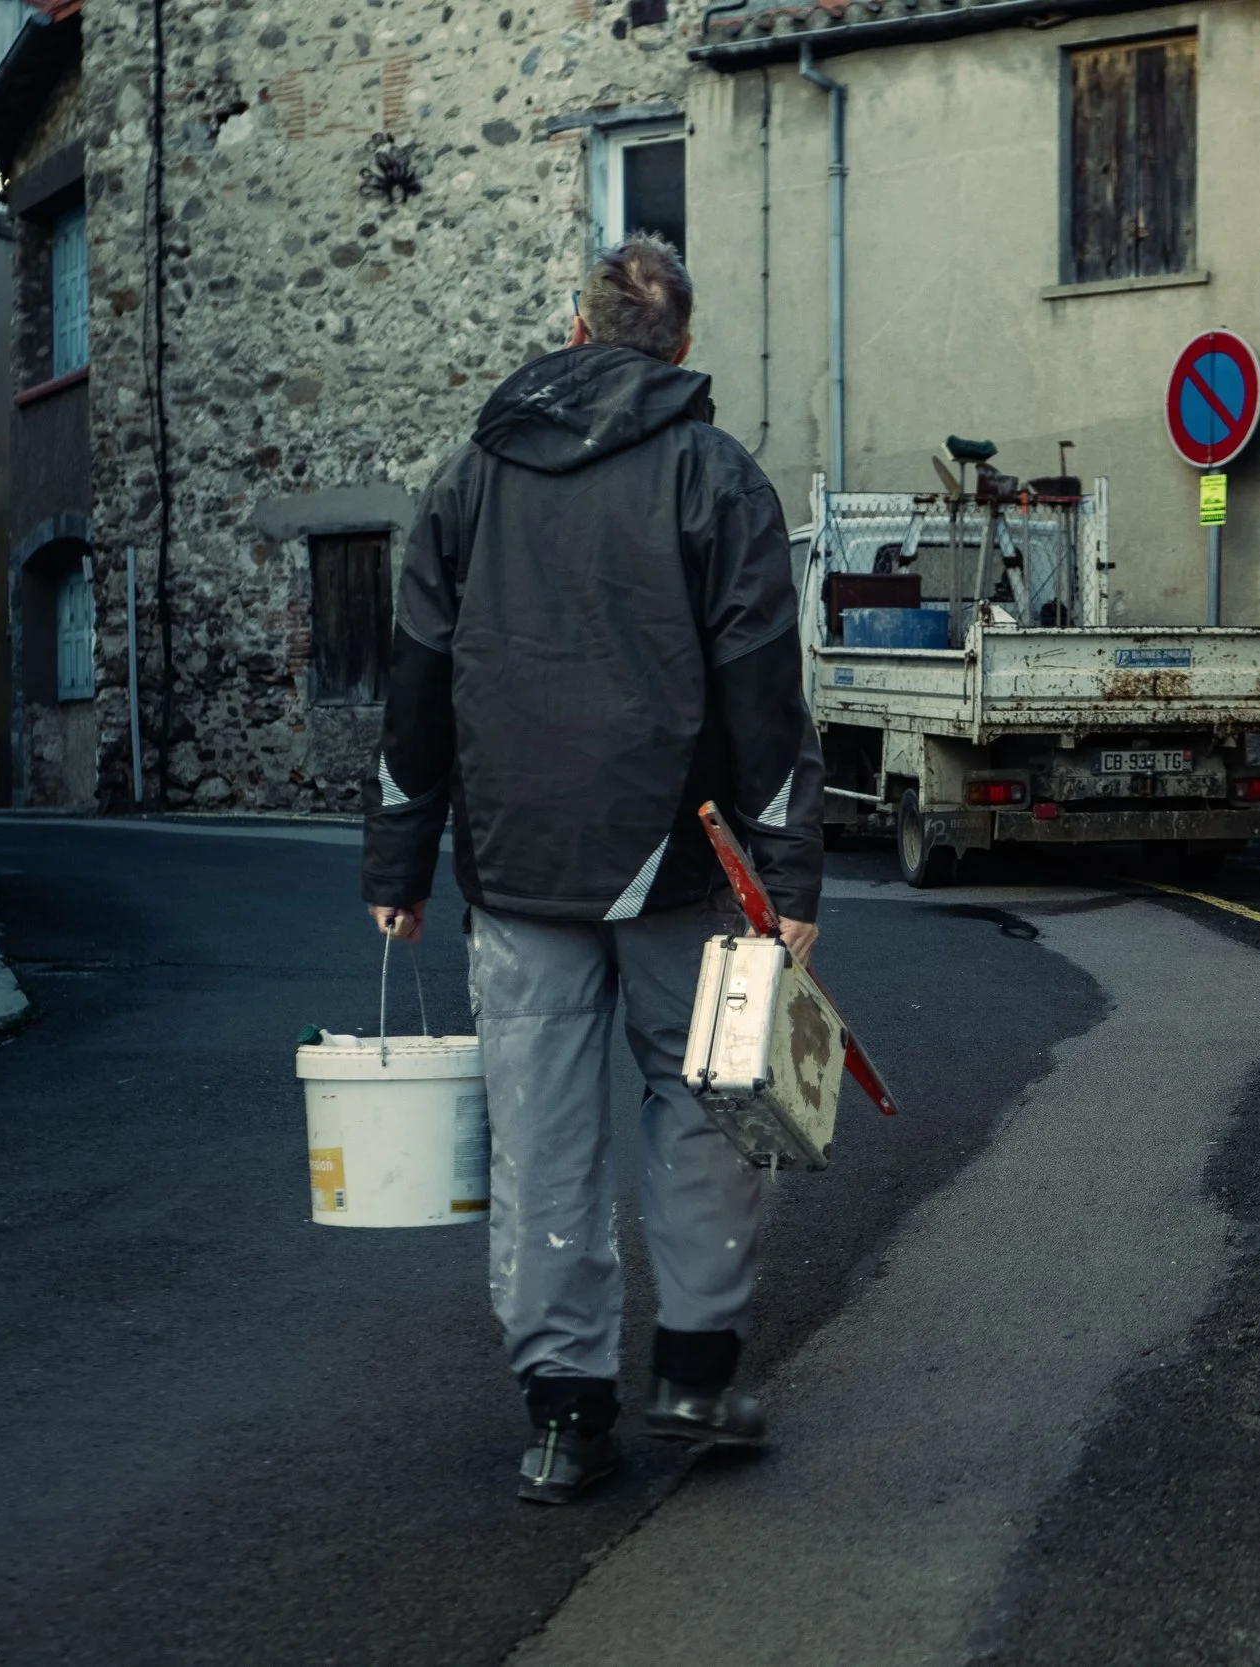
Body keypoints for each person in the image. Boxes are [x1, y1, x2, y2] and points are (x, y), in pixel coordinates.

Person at [360, 233, 823, 1506]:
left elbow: (417, 682)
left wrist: (399, 859)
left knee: (542, 1137)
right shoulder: (717, 475)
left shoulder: (467, 478)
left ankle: (564, 1415)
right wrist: (788, 886)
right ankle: (692, 1371)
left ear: (575, 332)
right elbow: (762, 698)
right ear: (678, 350)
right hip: (684, 860)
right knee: (711, 1103)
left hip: (516, 869)